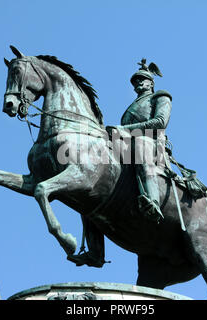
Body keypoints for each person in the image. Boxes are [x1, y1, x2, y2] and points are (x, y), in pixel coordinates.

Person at [67, 59, 173, 267]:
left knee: (140, 144)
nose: (137, 84)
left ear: (151, 83)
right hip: (128, 147)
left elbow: (160, 123)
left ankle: (152, 200)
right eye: (135, 81)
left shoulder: (161, 97)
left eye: (141, 80)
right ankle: (95, 252)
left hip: (151, 145)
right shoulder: (132, 106)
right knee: (92, 184)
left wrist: (124, 130)